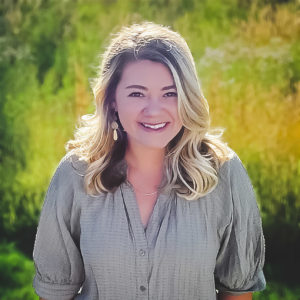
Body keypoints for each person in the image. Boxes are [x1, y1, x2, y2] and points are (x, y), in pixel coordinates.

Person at [32, 22, 266, 300]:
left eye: (170, 93)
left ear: (187, 97)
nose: (154, 110)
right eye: (137, 93)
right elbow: (55, 293)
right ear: (112, 100)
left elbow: (236, 291)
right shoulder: (75, 173)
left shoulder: (224, 173)